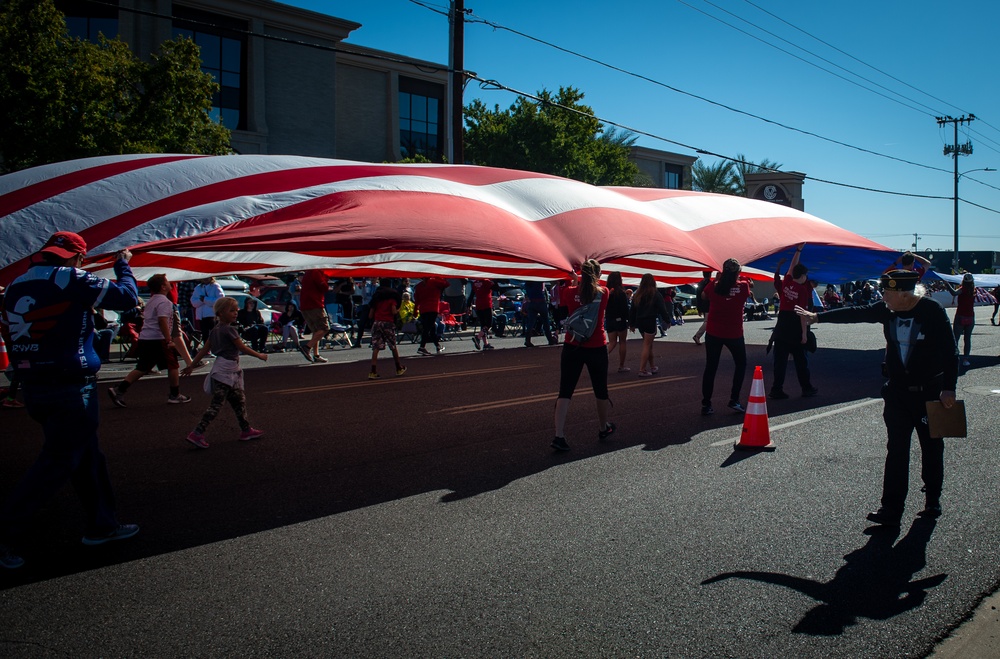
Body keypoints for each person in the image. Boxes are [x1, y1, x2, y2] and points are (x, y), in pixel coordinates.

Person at [0, 233, 141, 569]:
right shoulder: (69, 278)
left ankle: (102, 525)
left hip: (34, 385)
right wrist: (123, 266)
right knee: (58, 461)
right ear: (78, 258)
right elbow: (127, 299)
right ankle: (3, 534)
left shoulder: (17, 283)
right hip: (70, 386)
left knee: (87, 456)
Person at [797, 270, 958, 525]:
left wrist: (949, 387)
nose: (882, 296)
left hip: (929, 393)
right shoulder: (887, 309)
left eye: (887, 292)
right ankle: (891, 509)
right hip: (897, 394)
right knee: (896, 451)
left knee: (932, 447)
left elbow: (951, 352)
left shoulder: (932, 311)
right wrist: (817, 316)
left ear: (904, 295)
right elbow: (857, 312)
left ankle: (932, 499)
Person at [182, 297, 268, 448]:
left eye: (236, 310)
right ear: (221, 313)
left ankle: (246, 430)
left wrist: (191, 365)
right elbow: (242, 347)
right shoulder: (229, 330)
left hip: (225, 370)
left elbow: (203, 350)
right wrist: (259, 355)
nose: (236, 313)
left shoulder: (215, 330)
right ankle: (197, 433)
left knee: (239, 401)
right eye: (232, 310)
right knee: (216, 405)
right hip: (225, 372)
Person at [552, 259, 616, 452]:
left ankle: (559, 435)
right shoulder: (603, 293)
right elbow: (594, 290)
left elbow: (567, 301)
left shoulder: (569, 292)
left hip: (572, 345)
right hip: (596, 345)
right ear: (598, 274)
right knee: (600, 390)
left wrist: (573, 281)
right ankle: (603, 427)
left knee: (565, 391)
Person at [108, 273, 191, 408]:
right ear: (163, 286)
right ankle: (174, 395)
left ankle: (120, 389)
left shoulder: (152, 301)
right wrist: (168, 339)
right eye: (167, 281)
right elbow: (162, 320)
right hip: (158, 339)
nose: (171, 283)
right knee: (173, 365)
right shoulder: (165, 302)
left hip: (146, 337)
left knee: (143, 366)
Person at [699, 259, 751, 416]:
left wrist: (717, 279)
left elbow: (703, 296)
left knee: (711, 367)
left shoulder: (714, 286)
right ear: (737, 272)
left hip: (714, 332)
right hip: (734, 333)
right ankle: (734, 399)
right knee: (741, 365)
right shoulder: (743, 286)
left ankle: (706, 404)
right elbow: (746, 292)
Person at [770, 244, 819, 400]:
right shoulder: (802, 290)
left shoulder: (787, 282)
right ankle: (806, 388)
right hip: (794, 326)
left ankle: (776, 389)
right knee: (801, 361)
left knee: (780, 361)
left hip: (782, 324)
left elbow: (792, 266)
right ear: (803, 276)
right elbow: (801, 314)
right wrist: (804, 334)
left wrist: (798, 251)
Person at [628, 273, 671, 377]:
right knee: (647, 345)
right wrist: (667, 320)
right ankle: (642, 369)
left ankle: (652, 366)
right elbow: (662, 309)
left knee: (648, 344)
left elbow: (632, 310)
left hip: (640, 321)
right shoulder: (655, 294)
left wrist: (632, 323)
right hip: (650, 320)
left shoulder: (637, 294)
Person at [367, 281, 406, 380]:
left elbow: (370, 315)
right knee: (392, 345)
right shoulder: (392, 299)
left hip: (377, 323)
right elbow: (393, 311)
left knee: (376, 347)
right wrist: (398, 310)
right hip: (388, 323)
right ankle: (398, 367)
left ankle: (373, 371)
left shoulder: (376, 300)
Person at [944, 273, 976, 366]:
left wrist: (947, 284)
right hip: (970, 316)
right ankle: (966, 359)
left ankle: (953, 357)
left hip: (960, 316)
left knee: (955, 339)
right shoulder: (974, 290)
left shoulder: (963, 289)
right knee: (967, 339)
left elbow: (954, 293)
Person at [299, 269, 330, 363]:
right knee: (324, 328)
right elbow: (324, 287)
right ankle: (307, 347)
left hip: (305, 306)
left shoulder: (308, 273)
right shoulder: (316, 272)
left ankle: (316, 354)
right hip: (315, 304)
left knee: (316, 330)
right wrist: (326, 279)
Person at [414, 276, 448, 355]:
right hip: (433, 308)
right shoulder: (434, 282)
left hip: (423, 309)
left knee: (431, 328)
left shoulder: (419, 286)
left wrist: (415, 310)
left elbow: (417, 300)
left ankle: (437, 346)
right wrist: (438, 277)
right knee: (428, 328)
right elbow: (446, 284)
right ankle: (422, 346)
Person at [604, 271, 630, 372]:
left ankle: (601, 357)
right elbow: (625, 309)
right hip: (620, 320)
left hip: (610, 319)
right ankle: (621, 365)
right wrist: (629, 320)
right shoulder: (621, 293)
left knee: (612, 342)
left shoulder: (607, 292)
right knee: (622, 342)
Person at [521, 280, 556, 347]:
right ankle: (550, 340)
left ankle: (527, 340)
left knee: (530, 323)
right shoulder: (537, 280)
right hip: (540, 302)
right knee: (545, 321)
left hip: (531, 302)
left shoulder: (527, 283)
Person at [191, 277, 224, 343]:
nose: (205, 279)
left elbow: (220, 300)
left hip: (212, 315)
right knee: (205, 335)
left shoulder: (215, 286)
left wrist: (206, 299)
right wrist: (201, 300)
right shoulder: (198, 288)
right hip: (202, 316)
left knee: (214, 333)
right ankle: (207, 350)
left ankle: (215, 348)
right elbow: (193, 302)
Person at [470, 278, 495, 351]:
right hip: (486, 305)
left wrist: (468, 305)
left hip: (479, 306)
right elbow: (496, 288)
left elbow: (472, 295)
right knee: (488, 324)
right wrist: (495, 280)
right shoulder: (486, 282)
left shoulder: (475, 283)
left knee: (483, 325)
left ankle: (485, 343)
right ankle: (478, 337)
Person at [353, 277, 380, 347]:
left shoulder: (378, 287)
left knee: (373, 324)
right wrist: (363, 286)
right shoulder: (367, 286)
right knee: (362, 323)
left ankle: (373, 341)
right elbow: (364, 296)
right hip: (366, 305)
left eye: (374, 278)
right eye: (372, 278)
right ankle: (358, 341)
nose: (373, 279)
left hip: (374, 306)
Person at [692, 270, 713, 345]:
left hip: (703, 305)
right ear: (710, 274)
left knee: (709, 322)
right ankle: (697, 335)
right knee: (707, 322)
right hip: (710, 304)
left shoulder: (700, 283)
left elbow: (698, 297)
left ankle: (710, 337)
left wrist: (699, 308)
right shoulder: (711, 283)